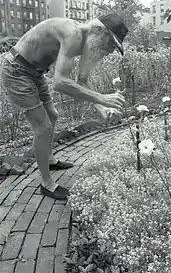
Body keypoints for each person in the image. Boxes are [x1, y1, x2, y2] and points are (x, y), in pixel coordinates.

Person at [1, 13, 128, 200]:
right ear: (99, 31)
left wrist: (103, 109)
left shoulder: (88, 45)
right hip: (17, 70)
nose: (110, 50)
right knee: (42, 127)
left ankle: (50, 160)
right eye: (111, 43)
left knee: (52, 115)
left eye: (115, 48)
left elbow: (82, 81)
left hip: (35, 72)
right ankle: (47, 184)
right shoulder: (73, 34)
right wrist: (101, 98)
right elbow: (60, 82)